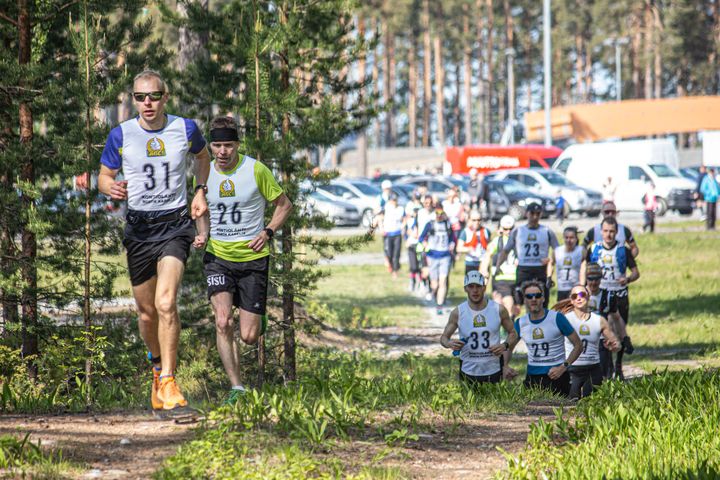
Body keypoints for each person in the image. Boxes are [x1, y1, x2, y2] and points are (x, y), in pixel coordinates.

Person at [98, 70, 210, 411]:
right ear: (133, 100)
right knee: (147, 314)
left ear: (165, 96)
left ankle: (169, 380)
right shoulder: (121, 135)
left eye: (155, 96)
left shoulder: (185, 128)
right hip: (139, 229)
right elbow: (104, 176)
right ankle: (157, 367)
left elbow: (203, 157)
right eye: (141, 97)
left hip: (175, 226)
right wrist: (110, 187)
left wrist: (200, 190)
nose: (148, 103)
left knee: (165, 303)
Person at [195, 116, 292, 403]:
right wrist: (202, 235)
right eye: (216, 145)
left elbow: (284, 205)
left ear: (237, 145)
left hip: (252, 258)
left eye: (228, 145)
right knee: (223, 321)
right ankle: (237, 388)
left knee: (249, 335)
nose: (222, 152)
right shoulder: (204, 174)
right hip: (219, 256)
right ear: (210, 146)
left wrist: (268, 231)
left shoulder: (256, 170)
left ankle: (254, 317)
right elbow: (202, 212)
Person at [506, 280, 582, 397]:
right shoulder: (521, 323)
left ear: (543, 298)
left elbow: (578, 345)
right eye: (529, 296)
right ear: (524, 300)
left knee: (560, 414)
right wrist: (505, 366)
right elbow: (508, 347)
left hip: (558, 376)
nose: (533, 299)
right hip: (533, 378)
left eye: (537, 295)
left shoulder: (557, 318)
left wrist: (563, 367)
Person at [440, 271, 518, 385]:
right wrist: (449, 344)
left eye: (478, 286)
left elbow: (513, 333)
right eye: (471, 287)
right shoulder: (458, 312)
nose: (475, 290)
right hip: (468, 369)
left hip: (493, 368)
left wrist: (504, 345)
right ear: (465, 289)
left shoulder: (498, 310)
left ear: (484, 288)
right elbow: (443, 338)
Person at [588, 216, 639, 380]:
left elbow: (636, 272)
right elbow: (587, 270)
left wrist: (628, 279)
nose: (608, 235)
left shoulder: (623, 250)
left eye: (611, 231)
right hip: (602, 293)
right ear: (601, 231)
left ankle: (619, 364)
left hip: (620, 294)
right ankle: (608, 367)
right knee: (606, 330)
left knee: (620, 329)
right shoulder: (594, 249)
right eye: (605, 231)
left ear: (617, 232)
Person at [551, 285, 619, 400]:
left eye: (582, 294)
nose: (579, 298)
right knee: (571, 404)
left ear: (588, 296)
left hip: (593, 369)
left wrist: (614, 346)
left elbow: (615, 343)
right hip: (572, 369)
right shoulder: (564, 320)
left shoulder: (599, 320)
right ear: (571, 300)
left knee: (591, 403)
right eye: (574, 296)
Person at [496, 202, 559, 308]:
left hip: (540, 269)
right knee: (520, 301)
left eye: (537, 214)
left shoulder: (547, 231)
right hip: (524, 269)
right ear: (526, 214)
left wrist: (550, 259)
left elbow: (558, 249)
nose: (535, 217)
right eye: (532, 213)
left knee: (542, 300)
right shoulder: (518, 231)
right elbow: (506, 250)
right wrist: (498, 266)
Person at [419, 206, 456, 315]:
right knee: (435, 284)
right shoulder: (430, 224)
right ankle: (432, 292)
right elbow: (421, 237)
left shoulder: (447, 224)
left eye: (441, 214)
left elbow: (452, 238)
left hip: (445, 256)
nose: (439, 216)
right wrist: (425, 244)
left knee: (443, 281)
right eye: (437, 214)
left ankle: (439, 305)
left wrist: (452, 245)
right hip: (432, 255)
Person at [480, 215, 518, 319]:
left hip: (516, 278)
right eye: (506, 229)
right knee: (504, 303)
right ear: (501, 228)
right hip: (500, 278)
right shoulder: (497, 241)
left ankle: (507, 327)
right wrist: (484, 269)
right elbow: (487, 255)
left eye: (511, 229)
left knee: (513, 308)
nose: (509, 232)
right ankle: (505, 331)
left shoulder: (519, 241)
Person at [585, 263, 615, 379]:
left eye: (596, 279)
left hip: (602, 340)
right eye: (590, 279)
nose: (593, 282)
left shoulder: (608, 296)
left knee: (603, 374)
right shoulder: (579, 295)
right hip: (584, 340)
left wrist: (616, 337)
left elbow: (614, 318)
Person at [552, 226, 585, 301]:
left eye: (571, 237)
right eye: (566, 237)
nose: (568, 240)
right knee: (562, 311)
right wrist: (549, 277)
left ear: (576, 238)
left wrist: (582, 285)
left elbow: (584, 267)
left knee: (578, 308)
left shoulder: (581, 251)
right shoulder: (557, 251)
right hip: (562, 288)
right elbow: (551, 263)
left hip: (577, 289)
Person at [456, 210, 491, 275]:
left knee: (482, 284)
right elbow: (458, 248)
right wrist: (468, 249)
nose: (477, 222)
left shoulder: (486, 231)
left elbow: (489, 246)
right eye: (474, 220)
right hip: (471, 262)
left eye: (479, 220)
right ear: (469, 220)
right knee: (471, 284)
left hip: (483, 262)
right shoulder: (466, 232)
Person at [380, 194, 405, 278]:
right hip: (388, 233)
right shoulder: (386, 207)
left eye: (395, 200)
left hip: (397, 233)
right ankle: (390, 265)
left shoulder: (400, 209)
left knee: (396, 253)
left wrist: (402, 227)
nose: (394, 202)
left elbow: (405, 218)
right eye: (393, 200)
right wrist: (381, 228)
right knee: (389, 253)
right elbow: (380, 217)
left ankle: (395, 271)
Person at [404, 201, 422, 292]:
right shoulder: (410, 221)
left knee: (420, 265)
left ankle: (421, 282)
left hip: (419, 245)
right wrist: (406, 239)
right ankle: (412, 281)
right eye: (415, 212)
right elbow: (407, 232)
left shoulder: (422, 221)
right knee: (413, 266)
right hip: (411, 244)